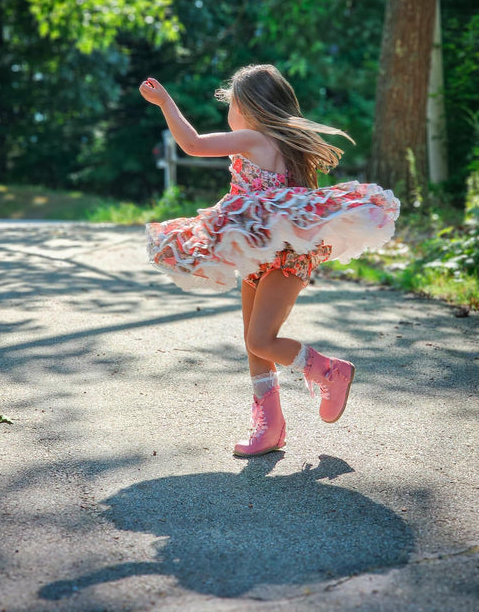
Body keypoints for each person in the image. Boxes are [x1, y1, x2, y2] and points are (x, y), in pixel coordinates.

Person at [139, 65, 399, 457]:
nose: (230, 112)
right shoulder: (290, 143)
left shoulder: (254, 138)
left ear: (246, 107)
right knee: (255, 345)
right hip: (263, 253)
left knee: (260, 340)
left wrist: (165, 102)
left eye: (232, 104)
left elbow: (191, 143)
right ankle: (270, 426)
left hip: (281, 258)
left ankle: (330, 371)